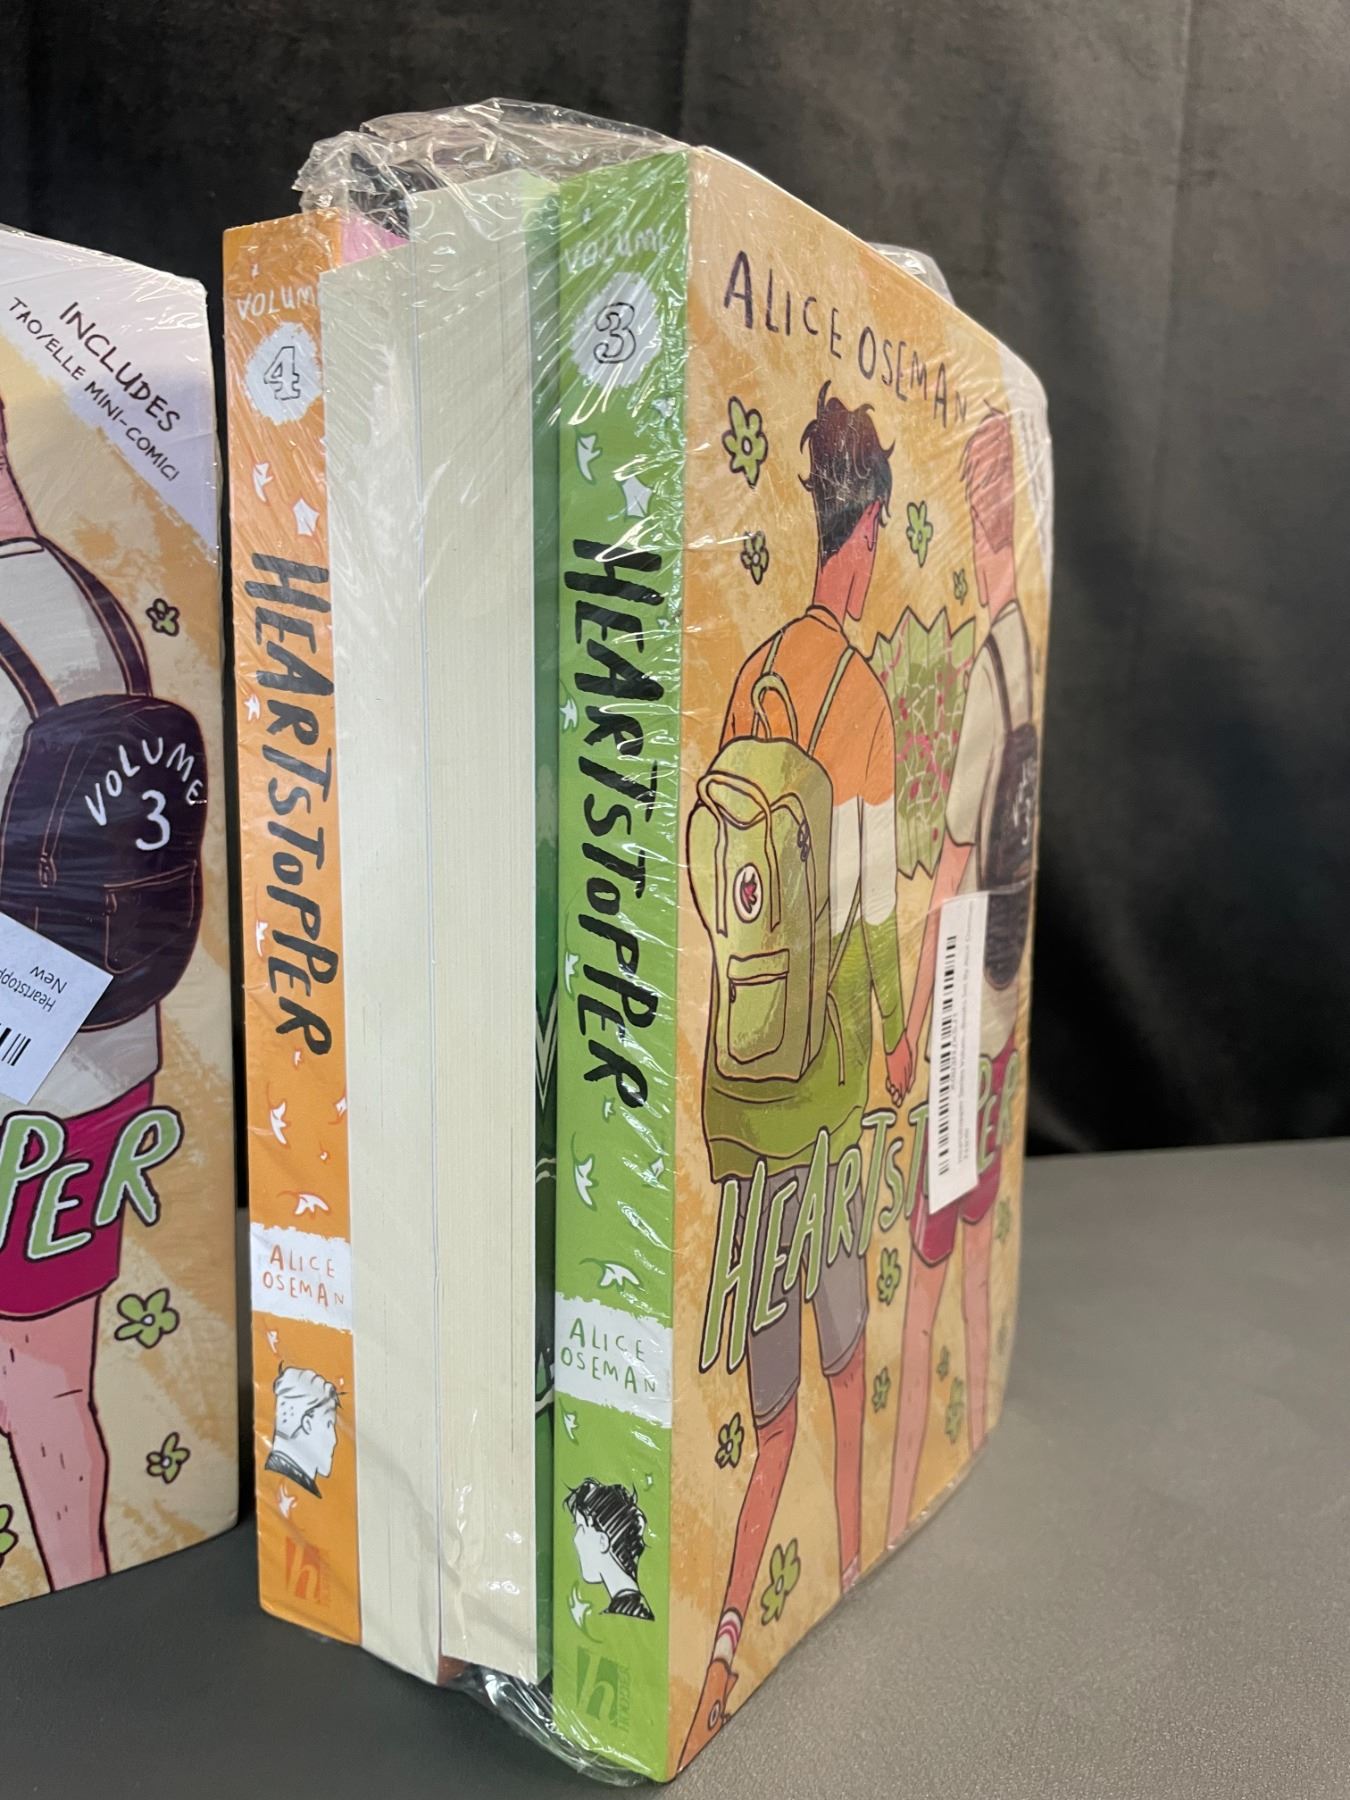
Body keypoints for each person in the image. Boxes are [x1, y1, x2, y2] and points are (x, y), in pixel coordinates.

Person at [683, 384, 912, 1763]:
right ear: (865, 532)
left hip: (736, 1088)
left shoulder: (755, 671)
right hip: (822, 1100)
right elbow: (873, 913)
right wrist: (898, 1048)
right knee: (844, 1366)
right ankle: (851, 1566)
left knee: (765, 1426)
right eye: (878, 540)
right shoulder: (861, 696)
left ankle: (715, 1664)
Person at [0, 392, 164, 1590]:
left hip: (16, 1085)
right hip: (111, 1052)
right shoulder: (86, 599)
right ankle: (84, 1590)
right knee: (55, 1384)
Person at [887, 407, 1035, 1546]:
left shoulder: (992, 665)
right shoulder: (1027, 646)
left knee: (927, 1272)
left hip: (959, 1028)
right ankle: (975, 1416)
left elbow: (949, 865)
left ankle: (895, 1508)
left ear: (981, 516)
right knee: (977, 1252)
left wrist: (905, 1039)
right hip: (1004, 1007)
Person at [565, 1477, 654, 1620]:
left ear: (602, 1541)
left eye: (581, 1528)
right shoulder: (637, 1608)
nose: (576, 1539)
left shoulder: (622, 1615)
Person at [265, 1366, 341, 1498]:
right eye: (328, 1425)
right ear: (307, 1424)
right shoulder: (294, 1490)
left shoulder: (274, 1480)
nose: (334, 1440)